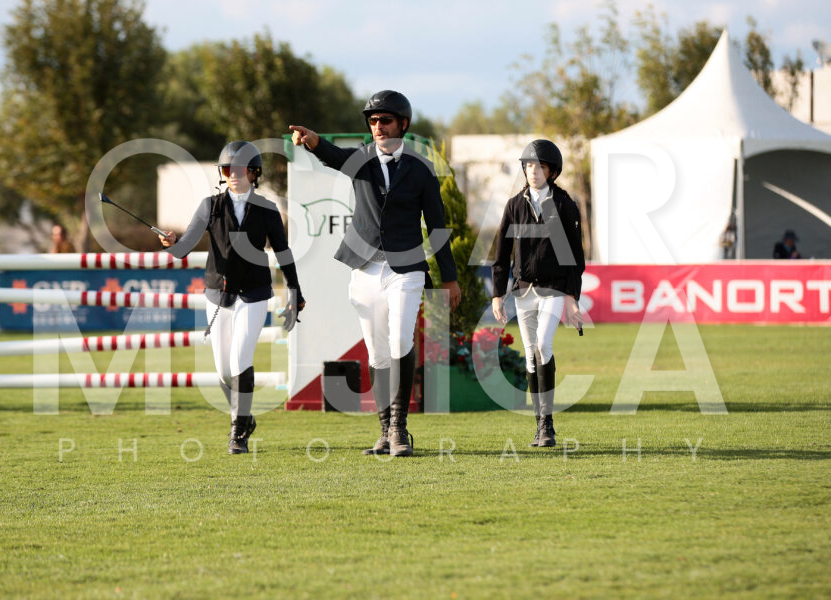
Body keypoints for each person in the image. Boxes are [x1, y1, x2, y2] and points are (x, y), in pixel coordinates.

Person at [289, 90, 461, 457]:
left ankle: (399, 428)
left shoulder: (421, 169)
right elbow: (332, 155)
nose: (378, 126)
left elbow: (437, 226)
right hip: (365, 267)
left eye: (385, 120)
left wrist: (449, 277)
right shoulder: (360, 159)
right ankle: (384, 431)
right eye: (372, 121)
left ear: (403, 124)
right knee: (378, 353)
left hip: (406, 269)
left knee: (400, 342)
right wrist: (313, 140)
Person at [159, 141, 305, 454]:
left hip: (254, 293)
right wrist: (171, 242)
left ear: (254, 173)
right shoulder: (210, 206)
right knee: (223, 370)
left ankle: (238, 431)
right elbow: (184, 248)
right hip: (218, 293)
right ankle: (246, 415)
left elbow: (283, 251)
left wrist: (295, 290)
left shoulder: (267, 209)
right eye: (227, 170)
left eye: (239, 169)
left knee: (240, 359)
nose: (233, 175)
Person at [491, 140, 584, 448]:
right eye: (529, 165)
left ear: (552, 171)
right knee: (531, 354)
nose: (533, 171)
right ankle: (541, 425)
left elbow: (575, 258)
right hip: (523, 291)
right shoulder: (513, 205)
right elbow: (501, 255)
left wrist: (572, 297)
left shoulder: (565, 204)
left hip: (553, 289)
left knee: (544, 344)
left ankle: (548, 423)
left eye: (540, 166)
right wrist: (497, 294)